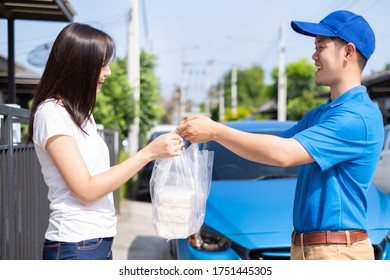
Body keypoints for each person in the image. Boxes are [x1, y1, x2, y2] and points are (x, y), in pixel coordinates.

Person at [177, 10, 384, 260]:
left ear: (348, 52)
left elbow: (284, 154)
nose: (314, 55)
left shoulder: (355, 116)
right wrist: (212, 136)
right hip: (312, 248)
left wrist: (216, 130)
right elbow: (269, 149)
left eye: (321, 46)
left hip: (336, 252)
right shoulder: (322, 113)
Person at [27, 23, 184, 260]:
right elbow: (86, 190)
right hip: (75, 244)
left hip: (95, 242)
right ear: (80, 65)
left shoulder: (79, 113)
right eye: (102, 64)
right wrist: (148, 153)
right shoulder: (52, 113)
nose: (108, 72)